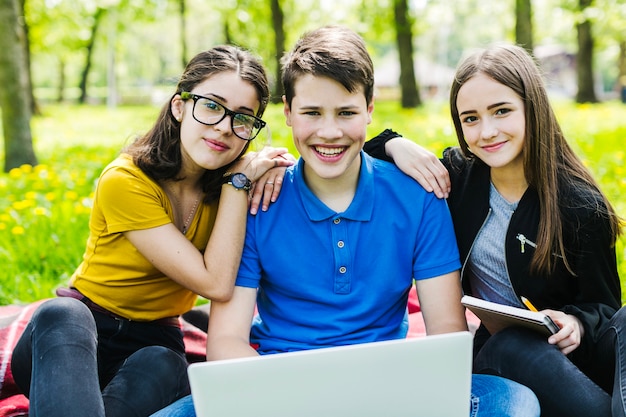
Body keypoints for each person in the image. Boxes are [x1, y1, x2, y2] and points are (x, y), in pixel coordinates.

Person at [151, 26, 540, 417]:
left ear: (370, 110)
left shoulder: (419, 196)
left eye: (346, 113)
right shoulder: (256, 201)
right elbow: (225, 342)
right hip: (280, 392)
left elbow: (446, 334)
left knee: (513, 403)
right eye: (312, 113)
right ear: (287, 113)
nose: (330, 131)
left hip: (391, 389)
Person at [10, 45, 293, 417]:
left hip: (154, 343)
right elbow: (215, 284)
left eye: (242, 118)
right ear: (179, 107)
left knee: (165, 361)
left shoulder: (233, 189)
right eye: (211, 106)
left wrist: (389, 143)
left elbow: (329, 160)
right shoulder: (125, 180)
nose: (224, 127)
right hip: (75, 339)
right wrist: (238, 180)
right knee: (62, 313)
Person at [364, 44, 625, 417]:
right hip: (504, 354)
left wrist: (577, 322)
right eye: (470, 118)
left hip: (575, 358)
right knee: (512, 344)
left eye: (501, 111)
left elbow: (604, 308)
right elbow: (357, 155)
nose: (486, 132)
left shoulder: (579, 204)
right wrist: (395, 144)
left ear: (531, 109)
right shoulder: (456, 179)